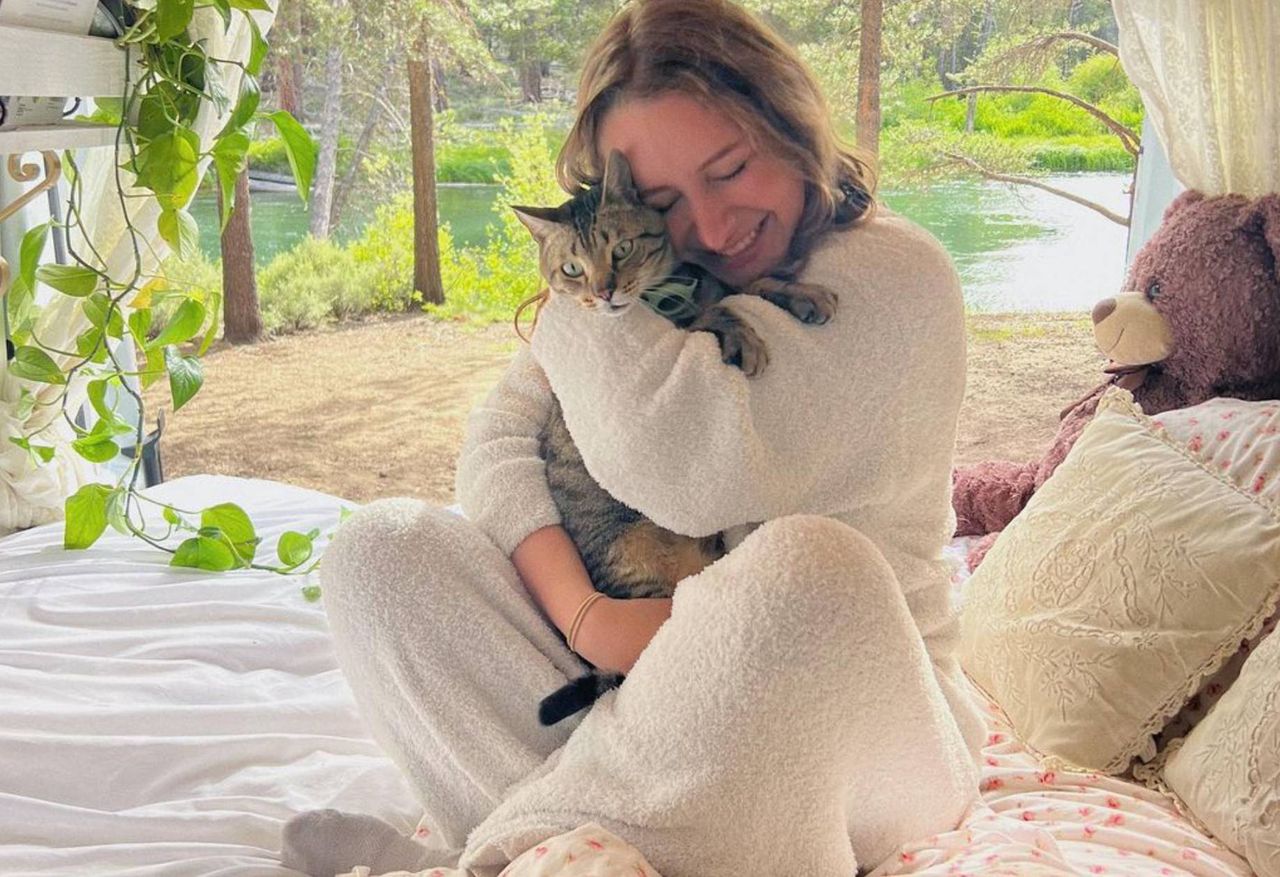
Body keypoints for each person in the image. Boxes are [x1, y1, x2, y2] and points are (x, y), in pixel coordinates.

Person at [282, 1, 985, 875]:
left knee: (809, 570)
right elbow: (497, 445)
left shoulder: (896, 273)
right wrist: (587, 618)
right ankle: (563, 842)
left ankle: (500, 852)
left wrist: (577, 302)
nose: (714, 226)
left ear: (791, 127)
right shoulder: (658, 277)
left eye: (731, 169)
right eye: (661, 202)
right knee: (378, 550)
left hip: (869, 710)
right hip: (643, 681)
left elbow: (690, 467)